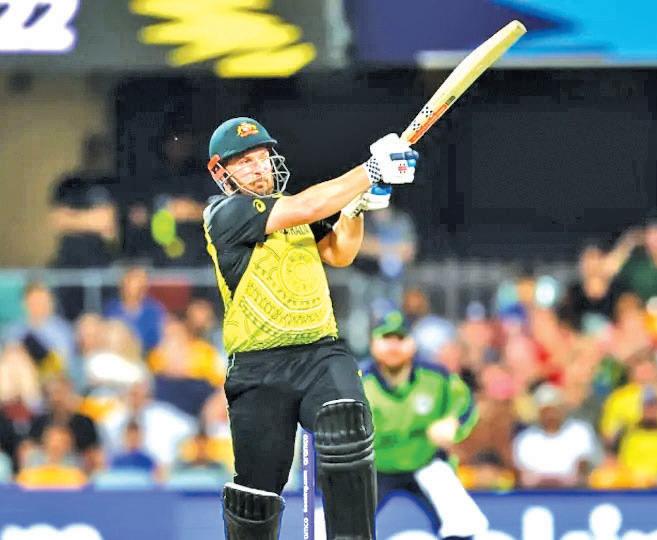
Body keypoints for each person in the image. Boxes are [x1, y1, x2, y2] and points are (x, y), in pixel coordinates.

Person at [202, 117, 418, 539]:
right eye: (244, 162)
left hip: (320, 353)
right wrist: (369, 171)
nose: (258, 168)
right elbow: (305, 207)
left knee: (346, 422)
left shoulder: (293, 208)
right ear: (221, 172)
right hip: (258, 366)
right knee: (256, 494)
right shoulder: (223, 213)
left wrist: (355, 210)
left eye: (261, 157)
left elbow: (339, 253)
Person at [361, 311, 487, 540]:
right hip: (372, 468)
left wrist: (453, 422)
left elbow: (465, 401)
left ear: (412, 343)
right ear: (373, 344)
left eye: (400, 338)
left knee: (466, 521)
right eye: (386, 338)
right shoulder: (359, 382)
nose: (393, 346)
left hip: (425, 462)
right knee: (339, 526)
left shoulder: (436, 377)